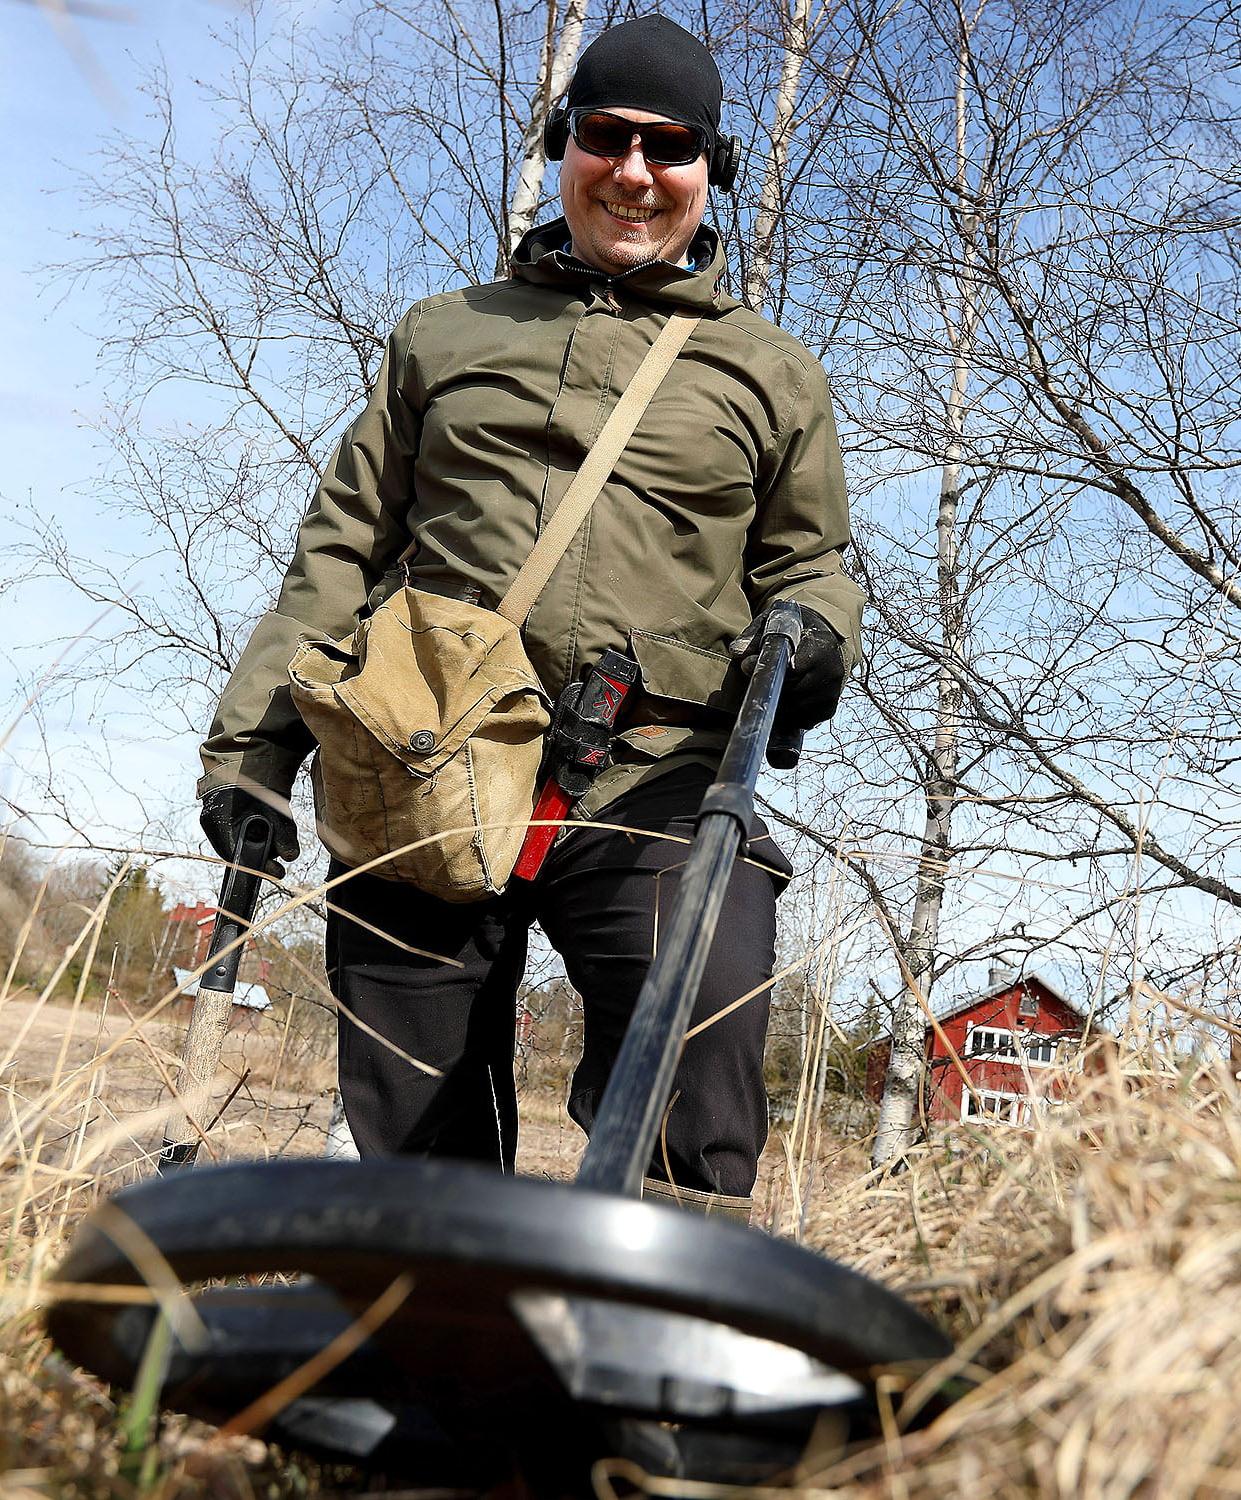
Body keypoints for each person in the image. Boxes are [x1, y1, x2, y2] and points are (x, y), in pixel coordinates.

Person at [197, 14, 864, 1220]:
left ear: (710, 168)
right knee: (412, 1101)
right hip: (427, 760)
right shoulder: (445, 336)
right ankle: (442, 1356)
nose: (636, 171)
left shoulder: (770, 373)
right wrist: (254, 759)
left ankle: (649, 1360)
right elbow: (338, 553)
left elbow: (813, 562)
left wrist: (814, 633)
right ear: (566, 146)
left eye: (672, 146)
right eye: (607, 136)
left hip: (658, 774)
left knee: (696, 1015)